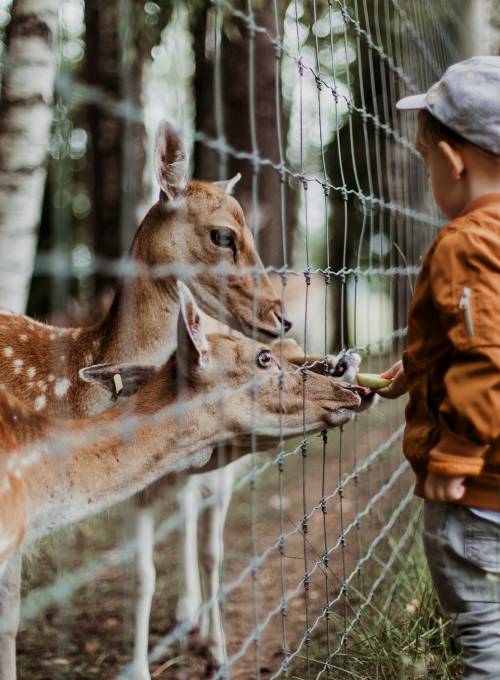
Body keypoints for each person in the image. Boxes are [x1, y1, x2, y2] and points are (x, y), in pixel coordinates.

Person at [376, 56, 500, 679]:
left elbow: (488, 356)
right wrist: (414, 371)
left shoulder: (466, 242)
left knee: (484, 640)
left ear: (453, 164)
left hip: (477, 492)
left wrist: (455, 453)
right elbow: (469, 339)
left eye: (427, 163)